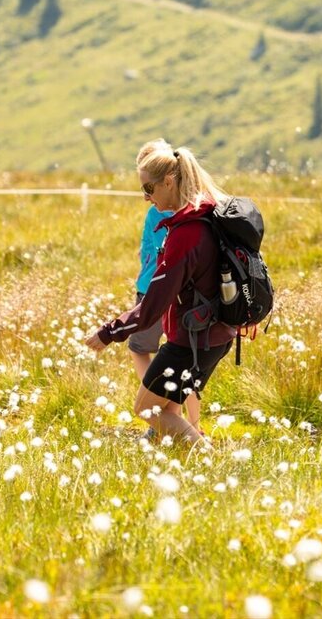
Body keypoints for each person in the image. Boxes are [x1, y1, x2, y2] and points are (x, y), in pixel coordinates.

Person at [83, 142, 235, 444]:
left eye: (148, 188)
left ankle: (208, 458)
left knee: (147, 409)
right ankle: (194, 456)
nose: (145, 197)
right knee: (167, 409)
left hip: (190, 342)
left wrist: (109, 332)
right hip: (217, 335)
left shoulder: (186, 233)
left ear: (168, 182)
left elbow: (153, 303)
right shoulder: (209, 215)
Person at [127, 141, 188, 436]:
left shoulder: (157, 213)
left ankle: (157, 413)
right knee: (181, 359)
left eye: (148, 189)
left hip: (151, 291)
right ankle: (186, 421)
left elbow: (151, 252)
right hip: (184, 296)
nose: (146, 197)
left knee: (139, 348)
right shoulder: (192, 208)